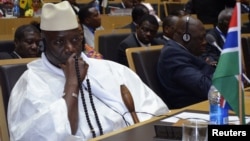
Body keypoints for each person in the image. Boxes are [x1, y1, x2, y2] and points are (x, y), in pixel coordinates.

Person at [7, 1, 169, 140]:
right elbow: (47, 135)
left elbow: (155, 112)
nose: (70, 48)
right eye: (59, 42)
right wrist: (72, 83)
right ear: (43, 44)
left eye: (75, 39)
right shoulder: (31, 83)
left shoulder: (112, 70)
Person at [157, 15, 216, 109]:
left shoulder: (188, 50)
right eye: (201, 38)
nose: (205, 42)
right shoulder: (172, 55)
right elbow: (207, 87)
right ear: (186, 37)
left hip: (207, 103)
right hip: (192, 110)